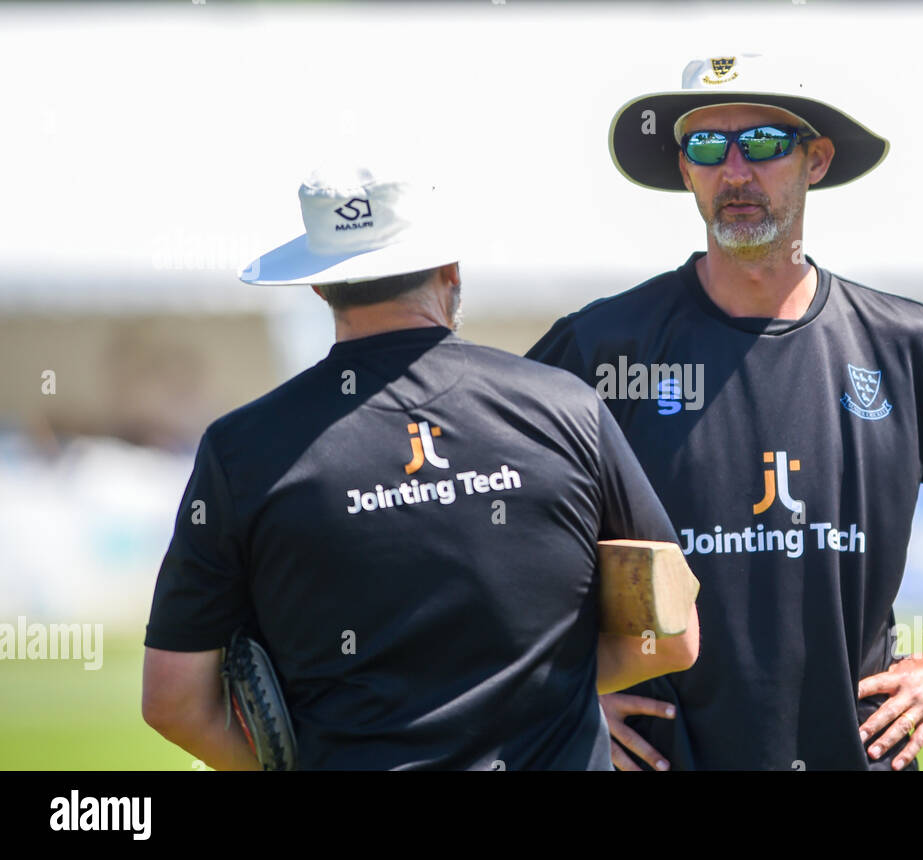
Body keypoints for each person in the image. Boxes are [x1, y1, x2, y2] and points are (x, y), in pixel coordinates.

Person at [527, 54, 923, 770]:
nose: (735, 171)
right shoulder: (601, 345)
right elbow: (494, 520)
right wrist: (562, 692)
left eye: (762, 144)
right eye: (707, 147)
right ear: (685, 171)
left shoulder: (905, 345)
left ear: (815, 161)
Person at [141, 166, 698, 770]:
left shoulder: (241, 450)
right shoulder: (568, 409)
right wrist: (545, 686)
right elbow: (672, 635)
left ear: (321, 288)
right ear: (451, 271)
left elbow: (174, 700)